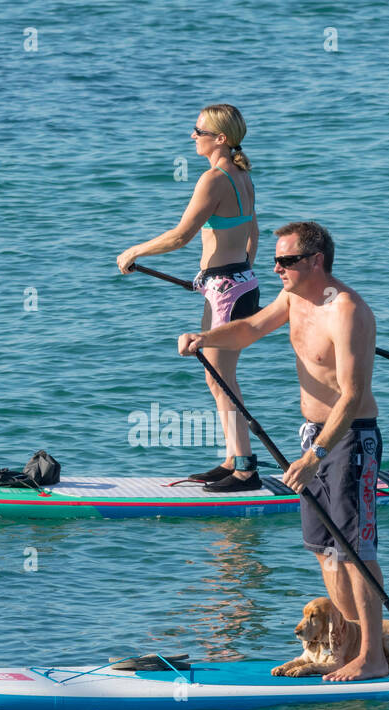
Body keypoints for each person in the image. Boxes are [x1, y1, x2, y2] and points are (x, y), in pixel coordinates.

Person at [178, 222, 388, 681]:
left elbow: (352, 395)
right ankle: (345, 647)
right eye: (275, 260)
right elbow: (251, 327)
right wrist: (205, 338)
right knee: (323, 549)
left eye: (287, 261)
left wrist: (315, 455)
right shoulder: (293, 299)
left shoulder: (347, 310)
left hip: (350, 437)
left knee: (355, 550)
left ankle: (372, 656)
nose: (275, 268)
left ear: (316, 261)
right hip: (311, 435)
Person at [117, 104, 261, 492]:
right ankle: (234, 458)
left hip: (227, 292)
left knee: (222, 378)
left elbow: (181, 236)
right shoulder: (243, 175)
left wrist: (135, 251)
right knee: (216, 378)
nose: (192, 136)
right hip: (234, 285)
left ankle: (246, 470)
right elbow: (253, 232)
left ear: (221, 139)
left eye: (199, 130)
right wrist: (232, 273)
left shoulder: (214, 179)